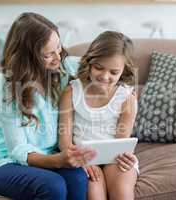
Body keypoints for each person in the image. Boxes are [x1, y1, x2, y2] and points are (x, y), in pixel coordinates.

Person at [0, 12, 96, 200]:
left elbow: (103, 65)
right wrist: (58, 161)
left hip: (49, 154)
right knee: (53, 186)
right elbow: (17, 149)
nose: (58, 57)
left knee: (79, 179)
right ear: (27, 57)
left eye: (58, 47)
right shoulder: (6, 84)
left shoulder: (65, 68)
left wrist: (125, 86)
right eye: (48, 54)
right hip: (6, 162)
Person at [59, 31, 139, 200]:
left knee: (122, 193)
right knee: (94, 192)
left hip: (115, 158)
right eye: (99, 68)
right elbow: (64, 141)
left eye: (113, 72)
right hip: (82, 158)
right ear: (89, 62)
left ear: (123, 71)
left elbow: (121, 141)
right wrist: (80, 161)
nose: (104, 76)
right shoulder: (72, 92)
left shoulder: (126, 98)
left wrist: (125, 156)